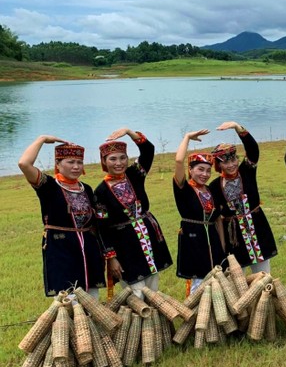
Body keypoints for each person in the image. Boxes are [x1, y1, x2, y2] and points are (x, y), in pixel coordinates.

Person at [18, 136, 105, 298]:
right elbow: (24, 164)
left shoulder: (85, 188)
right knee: (68, 298)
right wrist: (42, 139)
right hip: (61, 247)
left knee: (93, 297)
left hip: (88, 247)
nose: (76, 166)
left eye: (79, 162)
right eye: (70, 162)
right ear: (58, 164)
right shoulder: (48, 186)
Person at [94, 128, 172, 299]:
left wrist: (130, 132)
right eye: (112, 159)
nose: (118, 163)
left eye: (123, 158)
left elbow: (148, 150)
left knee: (152, 286)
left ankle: (155, 322)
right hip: (124, 245)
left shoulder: (134, 175)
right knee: (135, 290)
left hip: (147, 237)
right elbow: (102, 228)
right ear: (104, 161)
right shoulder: (100, 191)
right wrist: (111, 258)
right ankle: (138, 322)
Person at [209, 121, 277, 274]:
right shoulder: (214, 186)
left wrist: (237, 127)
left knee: (263, 275)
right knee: (238, 278)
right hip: (234, 236)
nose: (232, 164)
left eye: (234, 160)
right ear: (218, 165)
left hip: (257, 228)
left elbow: (253, 149)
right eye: (226, 162)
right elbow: (216, 218)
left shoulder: (246, 171)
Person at [173, 129, 226, 295]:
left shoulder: (210, 191)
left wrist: (223, 246)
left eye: (208, 171)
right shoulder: (184, 188)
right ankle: (197, 315)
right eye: (200, 169)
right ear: (191, 170)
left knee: (218, 277)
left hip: (213, 239)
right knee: (199, 280)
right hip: (193, 238)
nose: (205, 174)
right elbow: (179, 160)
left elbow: (218, 219)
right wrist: (187, 137)